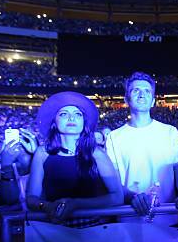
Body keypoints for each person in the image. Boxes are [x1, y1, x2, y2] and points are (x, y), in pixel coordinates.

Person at [105, 72, 178, 222]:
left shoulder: (170, 132)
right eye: (136, 90)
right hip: (130, 217)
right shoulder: (113, 137)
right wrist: (132, 196)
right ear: (126, 99)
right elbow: (114, 180)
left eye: (147, 91)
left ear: (153, 101)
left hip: (166, 215)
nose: (142, 95)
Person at [27, 92, 123, 222]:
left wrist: (75, 204)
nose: (71, 118)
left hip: (91, 229)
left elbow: (117, 197)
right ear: (54, 121)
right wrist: (47, 207)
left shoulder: (97, 154)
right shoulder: (42, 154)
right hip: (52, 229)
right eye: (64, 114)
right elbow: (31, 198)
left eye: (78, 114)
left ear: (84, 122)